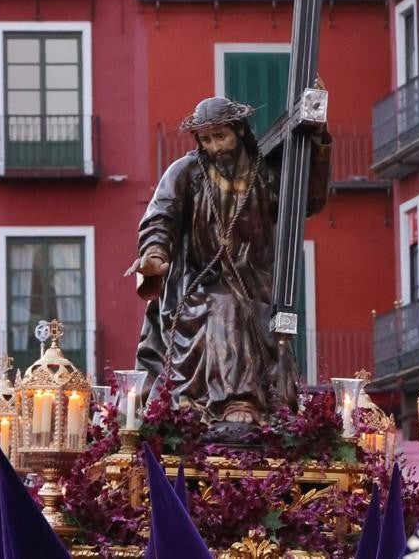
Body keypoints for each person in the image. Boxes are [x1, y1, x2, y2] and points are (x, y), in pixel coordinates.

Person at [128, 97, 332, 423]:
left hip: (256, 284)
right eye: (206, 140)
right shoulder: (186, 173)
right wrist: (153, 256)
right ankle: (235, 402)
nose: (215, 147)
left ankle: (258, 407)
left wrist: (318, 142)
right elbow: (159, 218)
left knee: (247, 310)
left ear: (239, 130)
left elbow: (307, 200)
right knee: (225, 304)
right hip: (194, 285)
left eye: (221, 136)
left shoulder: (264, 175)